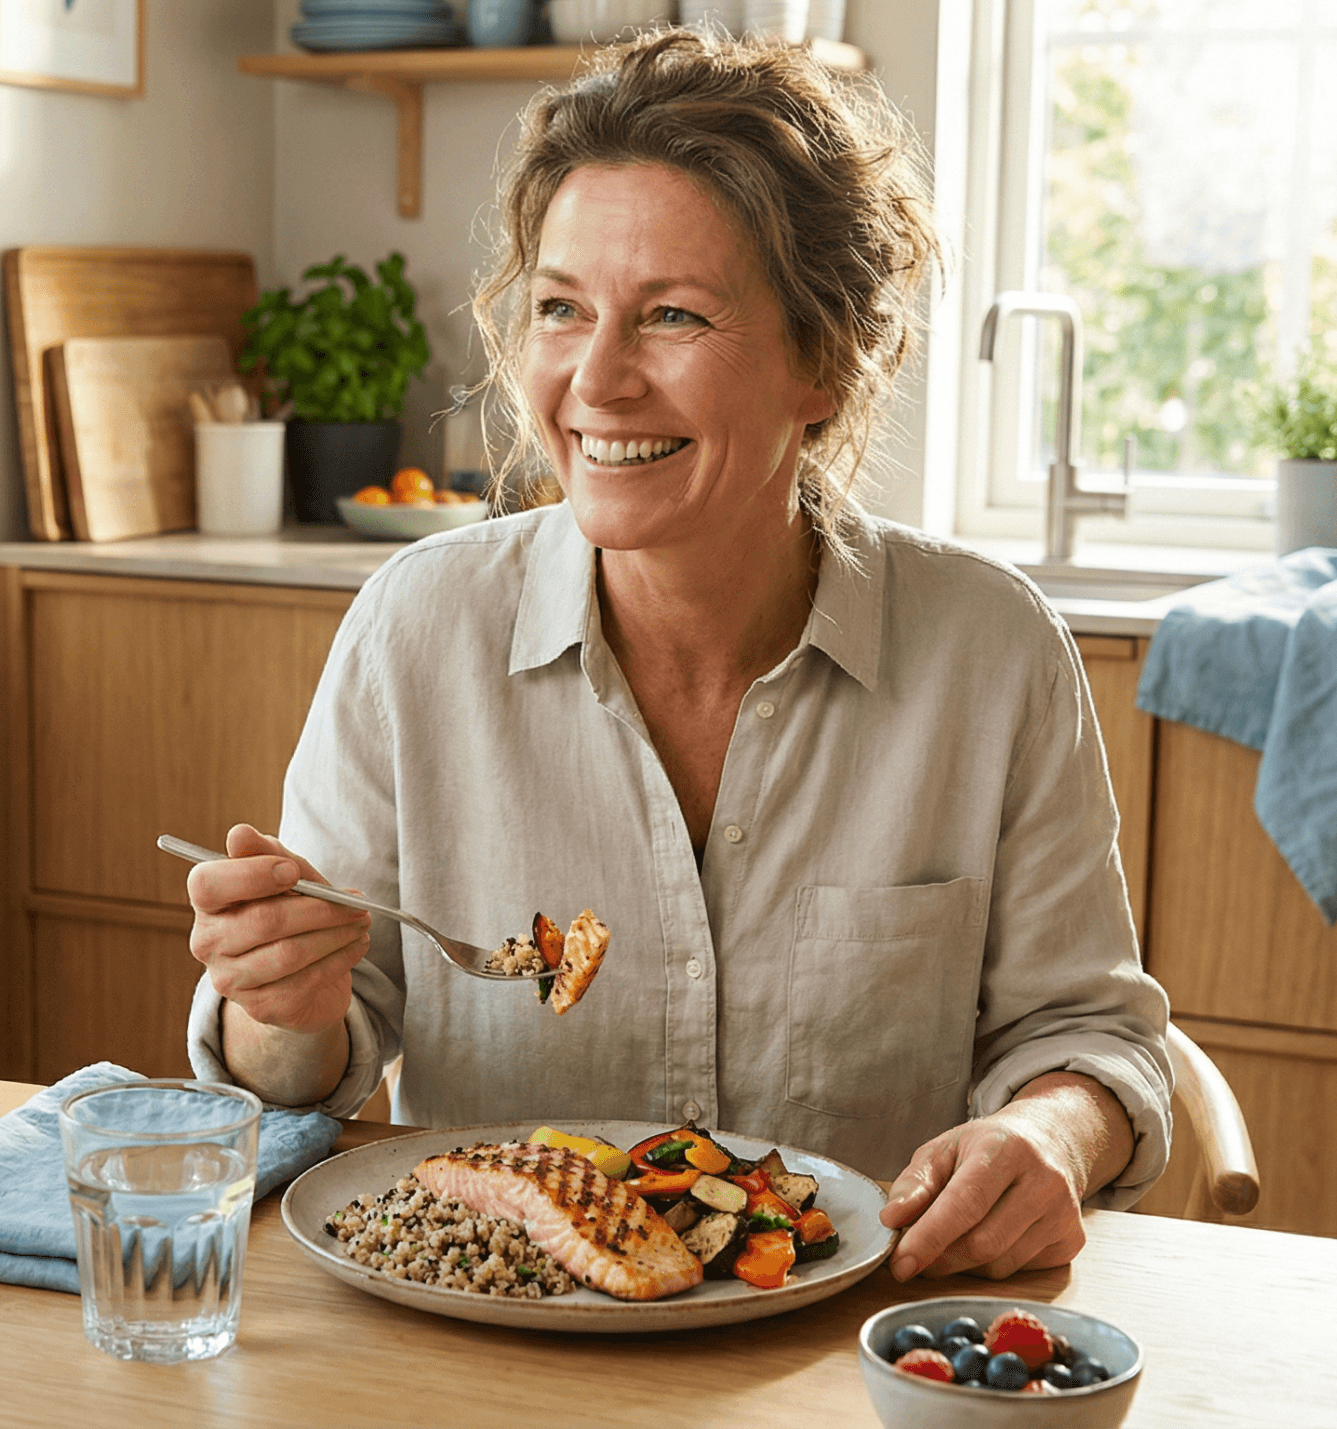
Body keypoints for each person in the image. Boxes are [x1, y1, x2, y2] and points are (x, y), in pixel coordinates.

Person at [181, 30, 1171, 1285]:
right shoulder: (414, 629)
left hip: (843, 1353)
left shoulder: (990, 653)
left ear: (828, 357)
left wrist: (1049, 1134)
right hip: (497, 1341)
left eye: (673, 316)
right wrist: (282, 1006)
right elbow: (312, 1071)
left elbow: (1084, 1035)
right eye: (560, 309)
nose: (596, 380)